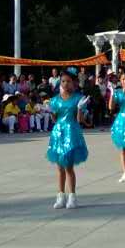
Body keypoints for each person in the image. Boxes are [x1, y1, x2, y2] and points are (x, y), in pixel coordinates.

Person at [48, 69, 90, 209]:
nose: (65, 84)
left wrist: (79, 108)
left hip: (71, 133)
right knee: (59, 167)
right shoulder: (55, 99)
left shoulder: (78, 98)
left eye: (68, 81)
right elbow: (55, 119)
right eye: (63, 81)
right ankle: (60, 196)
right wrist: (50, 112)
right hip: (58, 133)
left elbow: (79, 120)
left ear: (74, 83)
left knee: (69, 167)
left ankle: (72, 196)